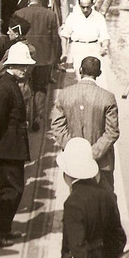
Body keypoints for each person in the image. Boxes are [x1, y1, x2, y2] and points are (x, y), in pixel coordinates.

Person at [56, 138, 127, 258]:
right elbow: (118, 237)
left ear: (68, 176)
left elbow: (77, 249)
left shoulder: (73, 203)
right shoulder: (107, 196)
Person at [0, 42, 34, 247]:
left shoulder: (9, 84)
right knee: (12, 190)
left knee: (7, 189)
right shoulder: (6, 88)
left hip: (12, 146)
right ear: (12, 65)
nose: (25, 69)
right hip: (10, 147)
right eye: (22, 66)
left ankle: (3, 228)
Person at [51, 56, 119, 192]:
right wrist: (91, 154)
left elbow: (57, 126)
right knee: (104, 200)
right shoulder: (107, 97)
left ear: (80, 70)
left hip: (74, 162)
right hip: (101, 162)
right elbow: (112, 132)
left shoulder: (65, 94)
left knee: (77, 200)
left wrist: (74, 150)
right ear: (99, 73)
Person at [12, 0, 59, 128]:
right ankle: (37, 116)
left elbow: (14, 37)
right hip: (44, 58)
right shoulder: (50, 15)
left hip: (23, 57)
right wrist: (55, 58)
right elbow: (55, 38)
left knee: (24, 86)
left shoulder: (19, 13)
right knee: (41, 88)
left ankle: (25, 116)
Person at [59, 0, 110, 70]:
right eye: (83, 7)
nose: (85, 10)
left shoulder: (99, 17)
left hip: (94, 49)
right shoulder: (73, 17)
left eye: (88, 7)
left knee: (93, 74)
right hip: (78, 49)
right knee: (80, 74)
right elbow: (65, 35)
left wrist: (104, 47)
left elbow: (105, 36)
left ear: (92, 4)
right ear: (79, 5)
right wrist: (64, 53)